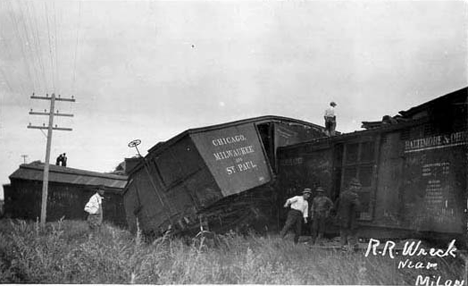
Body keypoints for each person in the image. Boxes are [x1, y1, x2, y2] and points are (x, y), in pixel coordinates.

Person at [335, 178, 361, 251]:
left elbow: (336, 205)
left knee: (343, 234)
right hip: (350, 219)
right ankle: (352, 249)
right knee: (352, 235)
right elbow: (358, 208)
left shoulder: (342, 194)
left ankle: (343, 248)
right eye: (357, 186)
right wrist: (358, 216)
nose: (358, 188)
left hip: (342, 219)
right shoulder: (354, 195)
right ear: (352, 186)